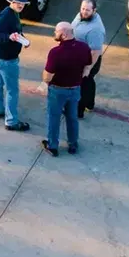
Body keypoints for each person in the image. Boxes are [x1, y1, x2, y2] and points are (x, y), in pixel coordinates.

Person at [40, 21, 93, 156]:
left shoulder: (55, 53)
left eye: (56, 31)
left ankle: (52, 145)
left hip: (58, 90)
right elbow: (88, 66)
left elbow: (48, 76)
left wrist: (44, 82)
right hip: (75, 89)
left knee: (54, 117)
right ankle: (73, 144)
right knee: (72, 117)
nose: (55, 33)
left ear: (63, 34)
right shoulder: (83, 47)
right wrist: (80, 77)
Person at [0, 0, 32, 132]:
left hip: (0, 57)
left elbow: (14, 31)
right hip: (7, 59)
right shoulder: (6, 16)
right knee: (12, 90)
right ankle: (11, 121)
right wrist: (9, 38)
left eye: (22, 3)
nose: (20, 5)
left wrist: (22, 39)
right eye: (17, 3)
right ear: (11, 2)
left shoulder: (12, 14)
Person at [72, 0, 107, 119]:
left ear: (94, 11)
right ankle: (90, 104)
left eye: (87, 10)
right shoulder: (81, 16)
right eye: (82, 8)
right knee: (88, 82)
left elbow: (95, 52)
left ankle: (78, 112)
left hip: (90, 59)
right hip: (79, 56)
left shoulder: (95, 29)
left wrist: (87, 68)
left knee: (81, 84)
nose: (84, 12)